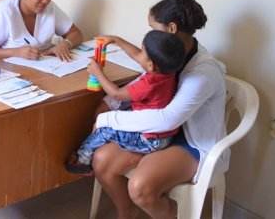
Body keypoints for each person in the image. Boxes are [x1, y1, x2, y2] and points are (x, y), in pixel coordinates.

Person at [92, 0, 227, 219]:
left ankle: (174, 215)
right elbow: (145, 82)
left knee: (139, 187)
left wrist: (108, 119)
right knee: (101, 160)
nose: (150, 35)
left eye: (153, 28)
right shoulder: (168, 56)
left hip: (191, 142)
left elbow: (167, 119)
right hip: (160, 134)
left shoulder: (203, 72)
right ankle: (127, 212)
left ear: (171, 29)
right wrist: (109, 103)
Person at [65, 30, 186, 176]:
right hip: (161, 133)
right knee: (113, 117)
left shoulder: (149, 84)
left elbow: (117, 94)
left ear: (151, 65)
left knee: (104, 129)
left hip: (149, 139)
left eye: (142, 52)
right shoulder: (167, 70)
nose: (139, 55)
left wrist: (98, 73)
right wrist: (116, 39)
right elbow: (137, 56)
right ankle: (89, 154)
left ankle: (82, 161)